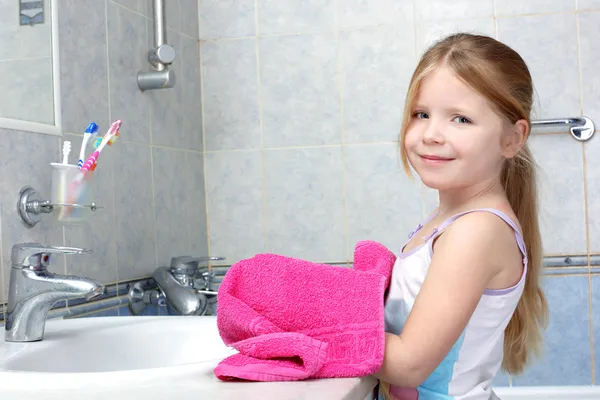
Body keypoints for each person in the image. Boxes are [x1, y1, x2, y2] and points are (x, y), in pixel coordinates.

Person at [374, 33, 548, 400]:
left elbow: (409, 364)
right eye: (421, 114)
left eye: (461, 119)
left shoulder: (477, 230)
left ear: (511, 139)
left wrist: (317, 331)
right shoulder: (449, 220)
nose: (432, 134)